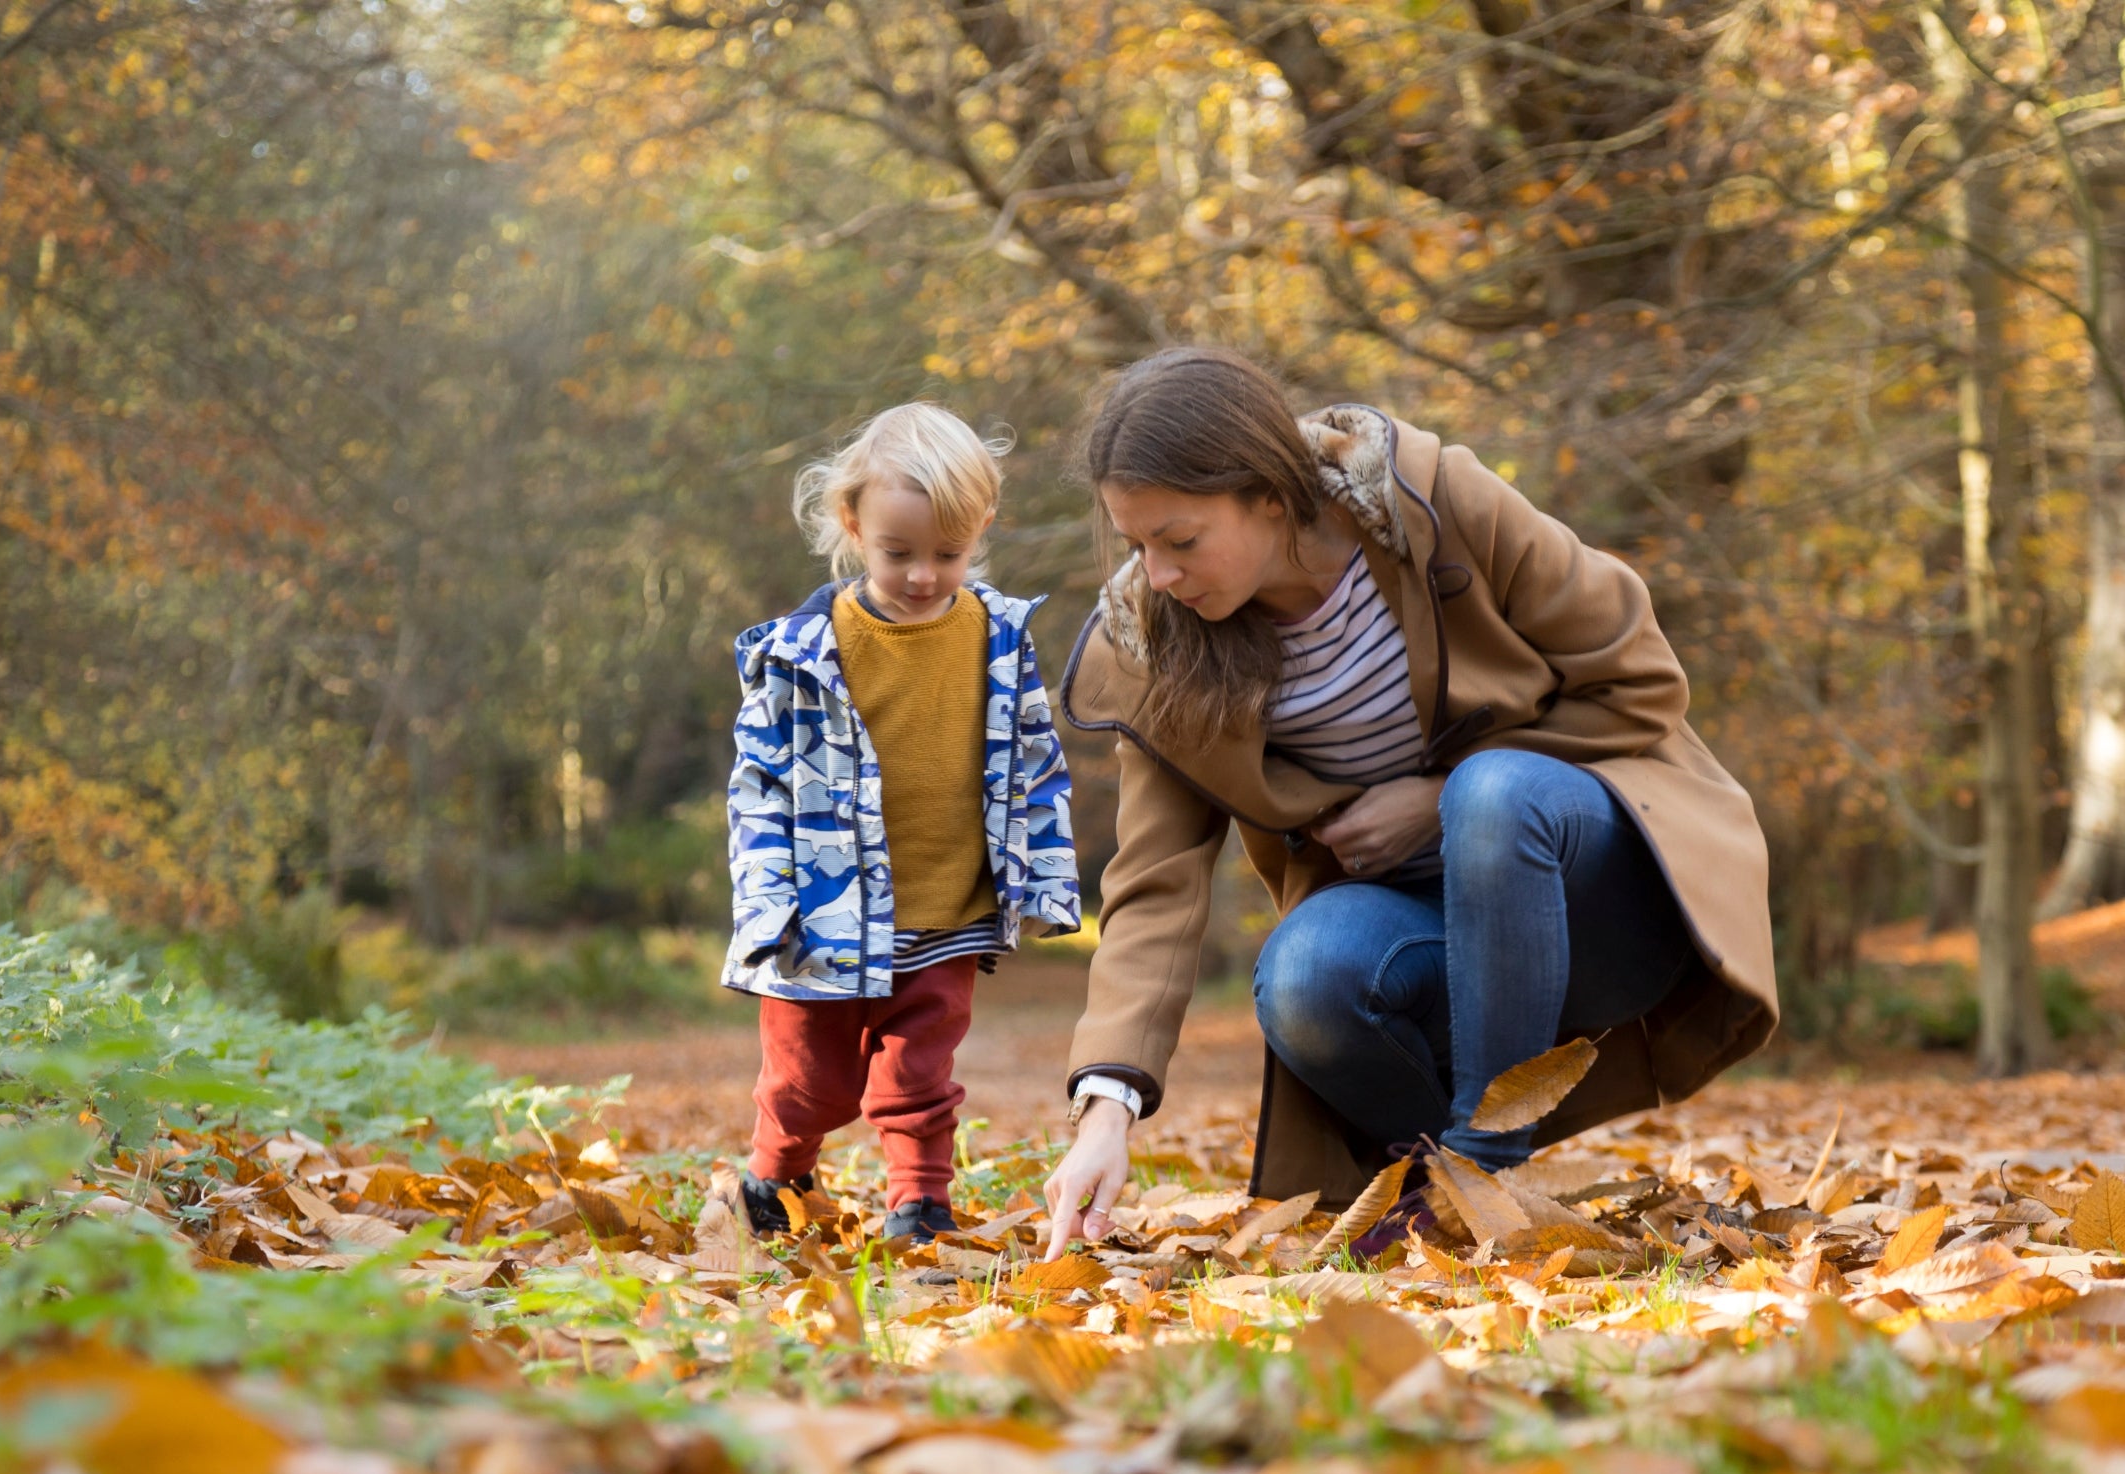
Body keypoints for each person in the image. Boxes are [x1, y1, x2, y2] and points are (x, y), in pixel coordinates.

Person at [1039, 349, 1777, 1257]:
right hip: (1429, 949)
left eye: (1181, 541)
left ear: (1271, 495)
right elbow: (1154, 885)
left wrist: (1438, 802)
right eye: (1137, 543)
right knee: (1306, 974)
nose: (1157, 574)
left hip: (1598, 905)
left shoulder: (1436, 506)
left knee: (1493, 793)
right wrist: (1104, 1111)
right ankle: (1457, 1187)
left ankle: (1482, 1164)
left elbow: (1640, 682)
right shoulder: (1158, 650)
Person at [720, 402, 1081, 1242]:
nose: (924, 574)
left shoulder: (998, 636)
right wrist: (765, 903)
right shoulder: (802, 651)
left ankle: (919, 1199)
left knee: (920, 1069)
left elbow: (1035, 756)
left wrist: (1048, 874)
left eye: (947, 554)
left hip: (946, 907)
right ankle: (777, 1171)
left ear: (983, 527)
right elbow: (758, 787)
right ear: (852, 524)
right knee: (814, 1081)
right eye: (899, 552)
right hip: (824, 915)